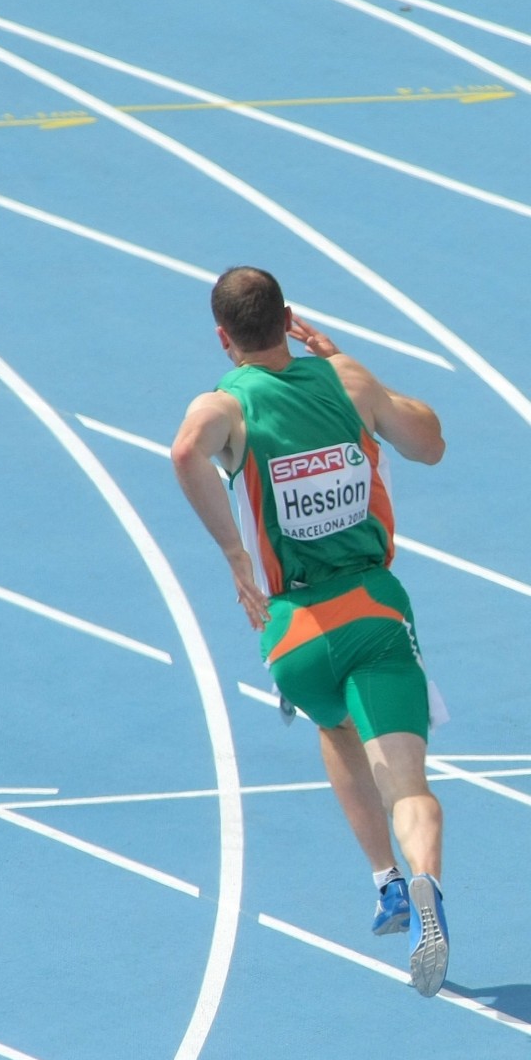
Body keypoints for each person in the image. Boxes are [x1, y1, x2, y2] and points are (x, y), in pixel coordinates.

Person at [171, 266, 455, 993]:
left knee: (335, 732)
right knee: (410, 786)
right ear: (288, 317)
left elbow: (184, 451)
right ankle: (425, 881)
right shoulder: (344, 379)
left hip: (293, 630)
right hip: (375, 610)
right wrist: (344, 365)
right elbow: (429, 444)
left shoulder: (225, 405)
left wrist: (236, 556)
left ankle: (385, 880)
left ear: (222, 337)